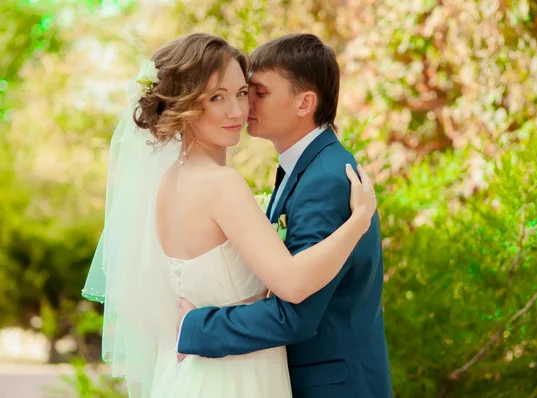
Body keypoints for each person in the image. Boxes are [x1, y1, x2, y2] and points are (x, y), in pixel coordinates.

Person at [82, 32, 377, 398]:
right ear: (187, 104)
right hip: (236, 376)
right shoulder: (221, 185)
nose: (240, 110)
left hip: (194, 372)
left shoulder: (169, 182)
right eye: (218, 97)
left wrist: (196, 324)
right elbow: (294, 284)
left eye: (243, 93)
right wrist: (358, 222)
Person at [176, 33, 393, 398]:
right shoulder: (303, 169)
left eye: (257, 93)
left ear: (304, 102)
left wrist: (194, 327)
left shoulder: (325, 179)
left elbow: (295, 314)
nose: (245, 106)